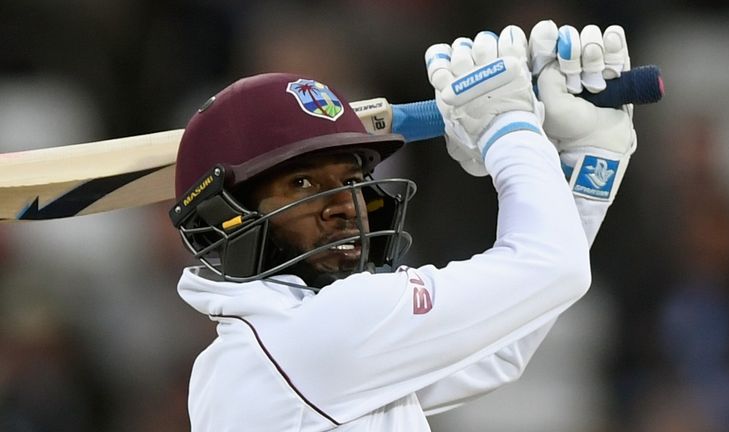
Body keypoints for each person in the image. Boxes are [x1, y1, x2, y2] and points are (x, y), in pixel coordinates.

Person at [170, 20, 636, 431]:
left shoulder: (271, 346)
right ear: (224, 215)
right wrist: (506, 125)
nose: (344, 205)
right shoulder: (309, 336)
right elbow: (552, 267)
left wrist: (587, 164)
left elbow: (500, 349)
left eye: (352, 179)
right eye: (304, 182)